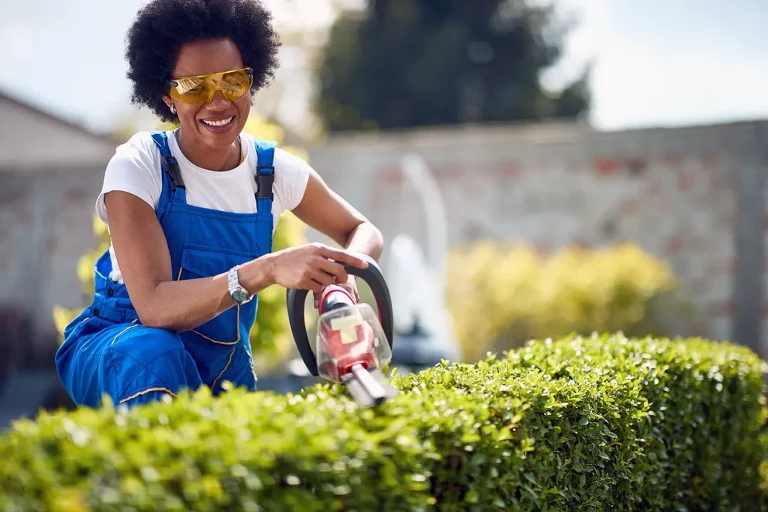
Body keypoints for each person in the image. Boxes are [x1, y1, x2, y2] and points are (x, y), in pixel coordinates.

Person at [55, 0, 383, 409]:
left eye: (232, 81)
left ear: (251, 81)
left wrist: (343, 273)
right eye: (195, 87)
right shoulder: (141, 164)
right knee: (156, 352)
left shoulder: (271, 171)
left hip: (222, 362)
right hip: (123, 348)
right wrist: (266, 269)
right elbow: (154, 308)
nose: (217, 101)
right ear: (167, 95)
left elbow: (363, 231)